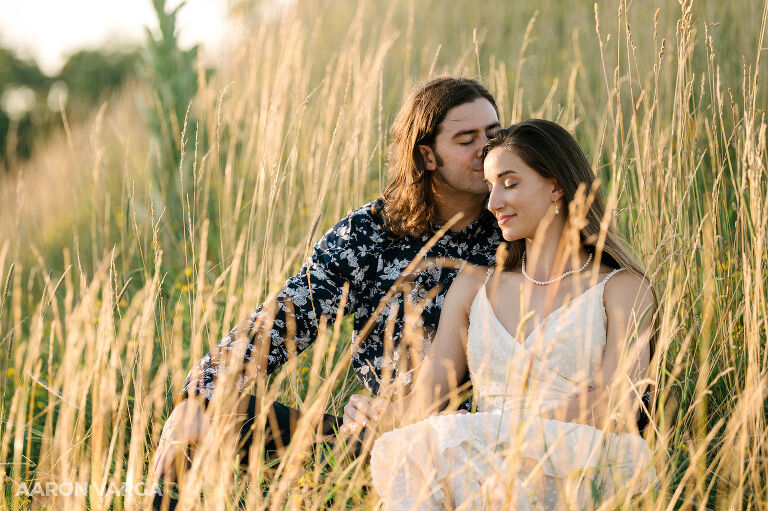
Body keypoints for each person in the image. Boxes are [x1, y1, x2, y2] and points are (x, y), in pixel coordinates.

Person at [150, 77, 504, 497]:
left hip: (483, 440)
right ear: (427, 156)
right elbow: (284, 318)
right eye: (467, 139)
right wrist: (199, 394)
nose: (486, 148)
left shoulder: (516, 228)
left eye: (494, 135)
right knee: (205, 417)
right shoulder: (371, 235)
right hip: (375, 438)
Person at [358, 119, 657, 510]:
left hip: (580, 460)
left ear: (557, 186)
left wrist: (506, 436)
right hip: (484, 461)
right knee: (425, 453)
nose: (494, 202)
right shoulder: (474, 289)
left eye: (510, 183)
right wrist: (372, 413)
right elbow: (427, 400)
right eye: (490, 186)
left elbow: (618, 403)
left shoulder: (623, 289)